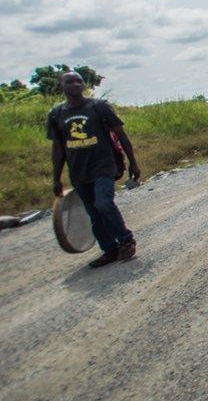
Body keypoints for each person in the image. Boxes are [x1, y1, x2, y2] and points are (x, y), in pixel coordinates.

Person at [47, 71, 140, 267]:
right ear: (61, 86)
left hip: (104, 166)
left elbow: (121, 135)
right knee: (94, 214)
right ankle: (110, 250)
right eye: (69, 82)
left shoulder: (99, 107)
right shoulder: (56, 114)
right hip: (79, 172)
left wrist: (133, 162)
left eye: (79, 81)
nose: (75, 85)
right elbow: (58, 149)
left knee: (104, 203)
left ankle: (126, 240)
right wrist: (56, 178)